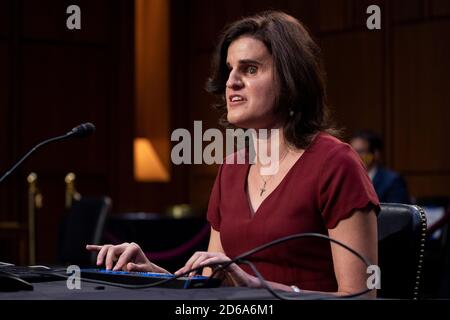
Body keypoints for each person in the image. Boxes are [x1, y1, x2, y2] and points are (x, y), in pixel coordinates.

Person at [87, 11, 379, 297]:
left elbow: (362, 296)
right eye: (230, 69)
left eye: (250, 69)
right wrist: (149, 273)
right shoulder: (232, 167)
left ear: (291, 79)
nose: (231, 82)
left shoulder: (336, 163)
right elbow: (211, 283)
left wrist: (259, 288)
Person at [350, 129, 411, 204]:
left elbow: (399, 214)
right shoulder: (348, 178)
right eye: (352, 151)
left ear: (376, 153)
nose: (355, 156)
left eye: (361, 151)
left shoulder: (392, 181)